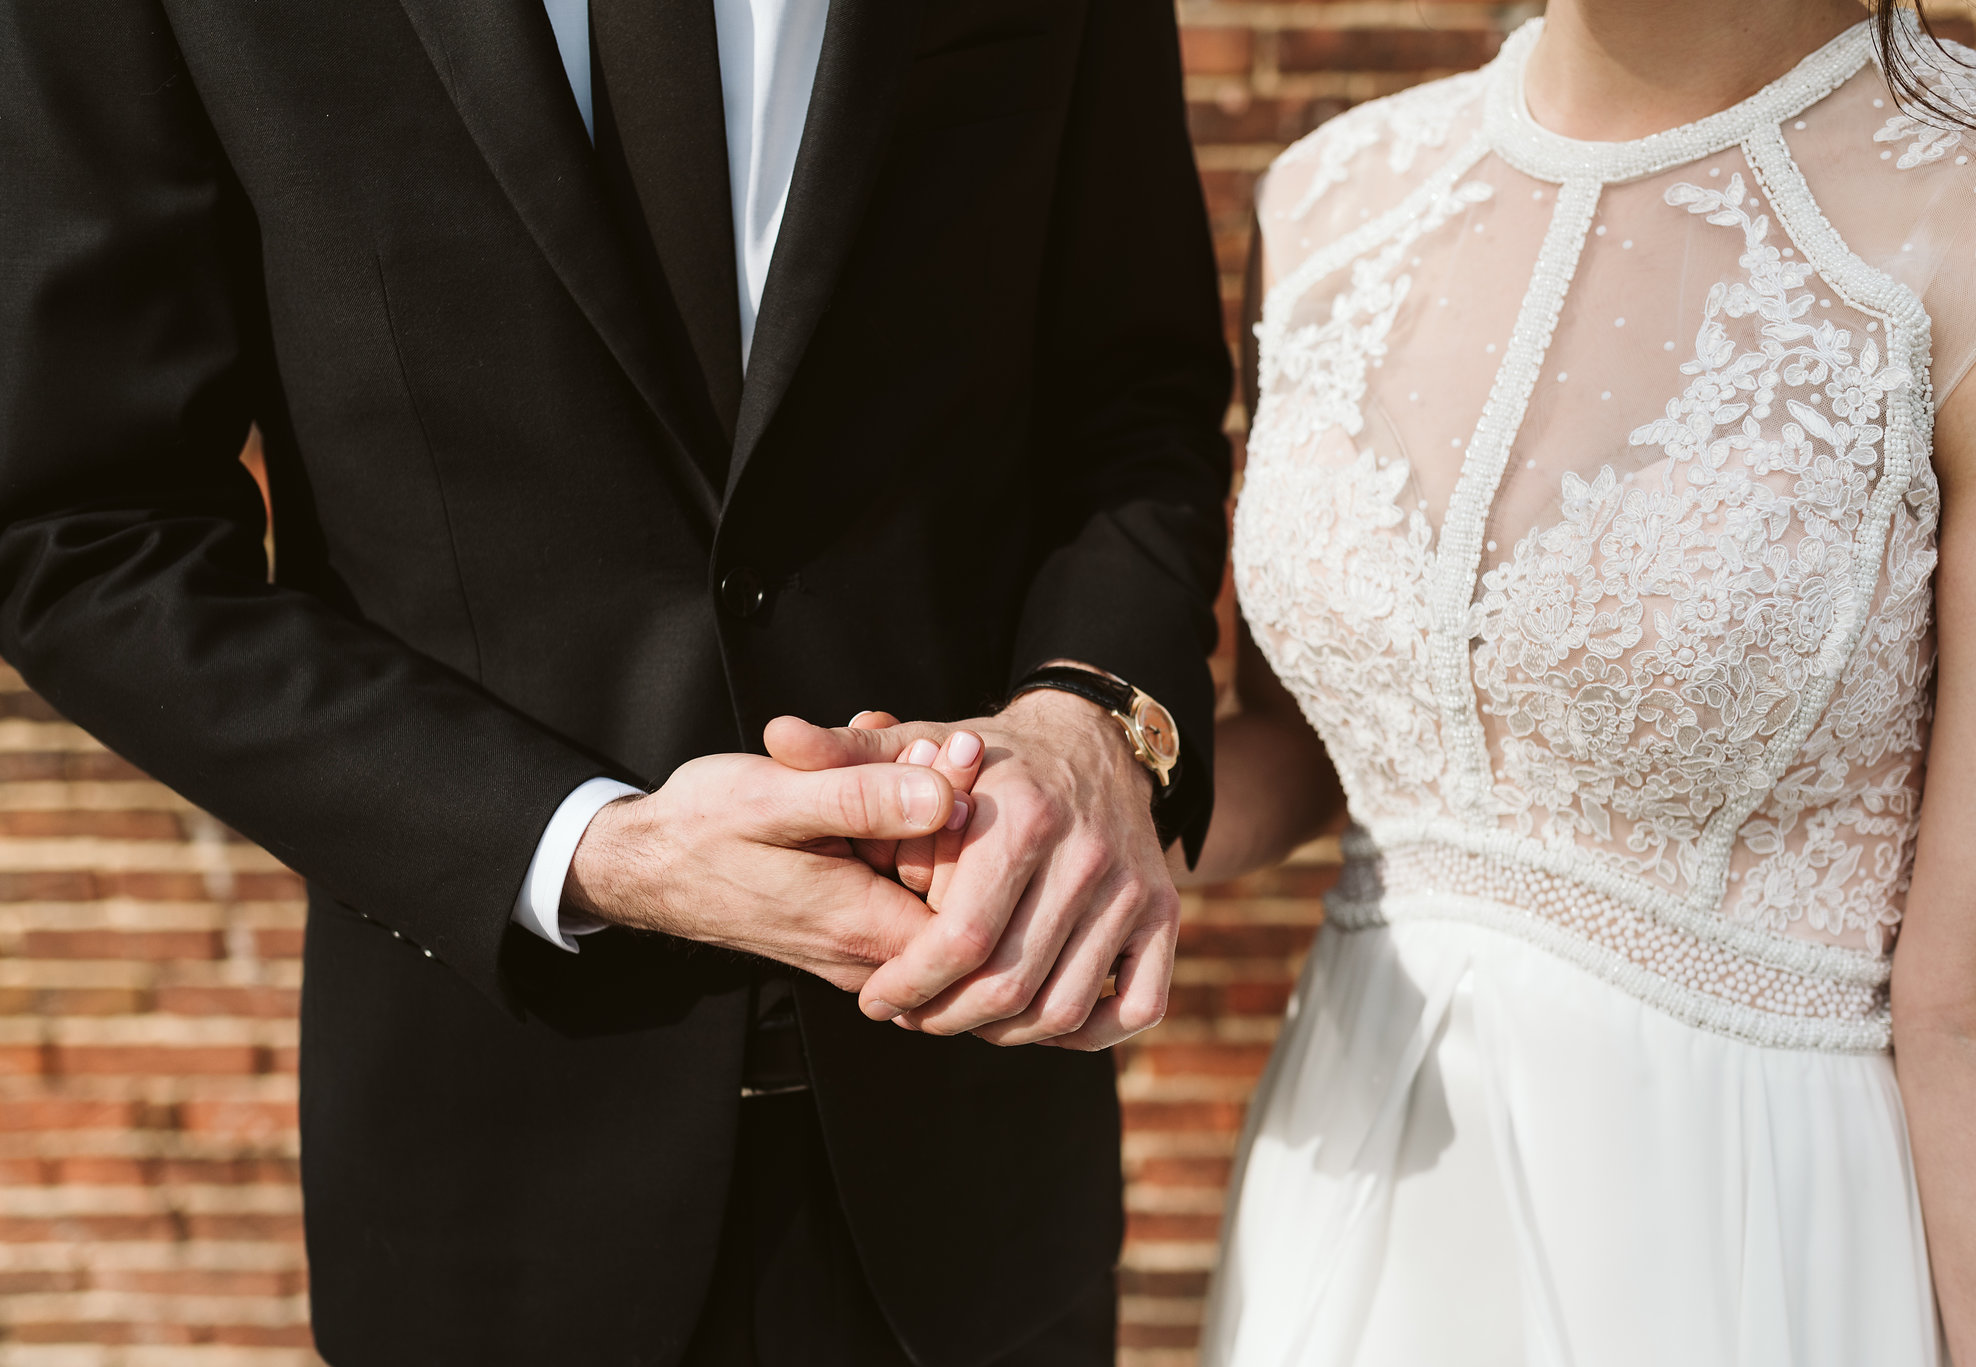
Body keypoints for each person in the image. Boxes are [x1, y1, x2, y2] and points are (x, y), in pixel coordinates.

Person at [0, 1, 1232, 1364]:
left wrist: (1091, 716)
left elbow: (1135, 391)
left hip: (975, 1179)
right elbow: (87, 532)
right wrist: (593, 847)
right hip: (495, 1187)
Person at [1191, 1, 1976, 1362]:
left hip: (1736, 1232)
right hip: (1347, 1193)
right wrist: (1066, 785)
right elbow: (1304, 750)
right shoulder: (1332, 196)